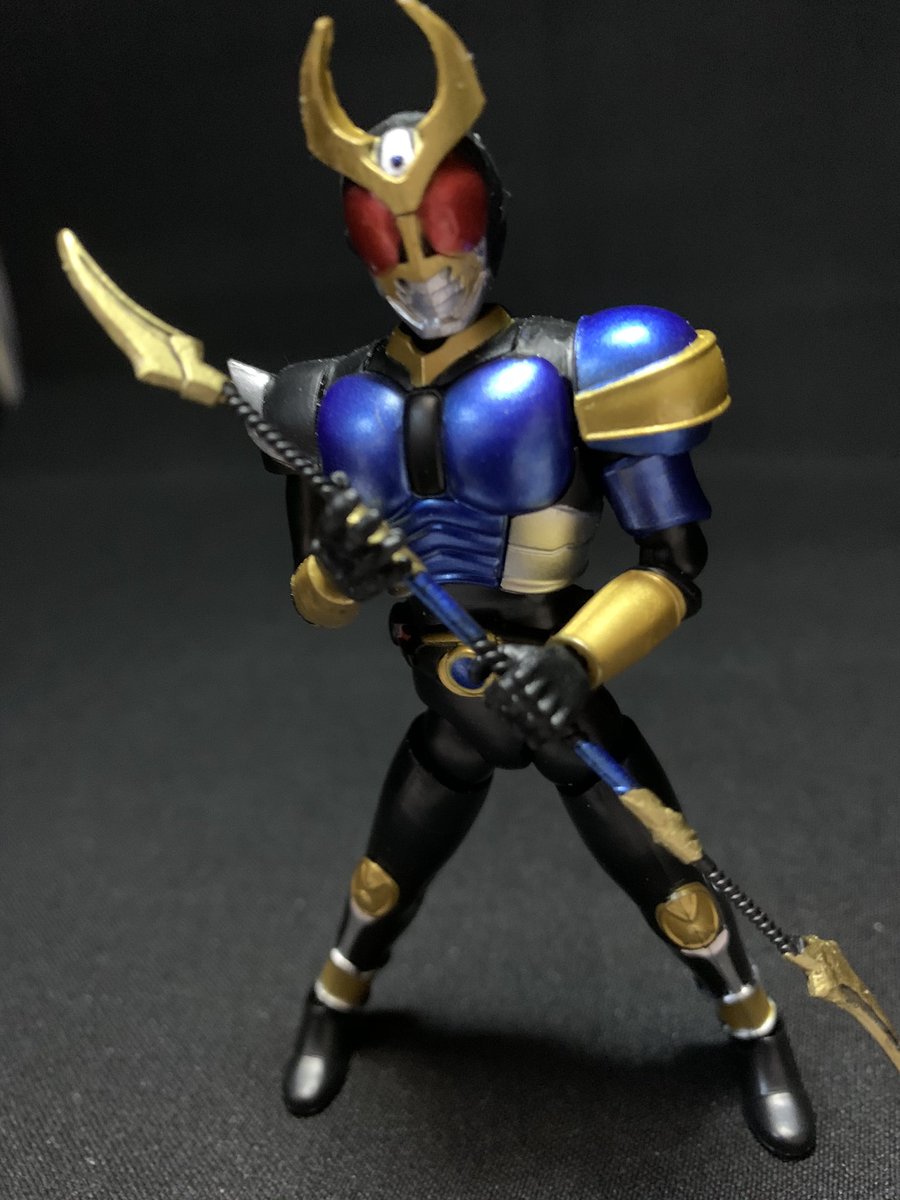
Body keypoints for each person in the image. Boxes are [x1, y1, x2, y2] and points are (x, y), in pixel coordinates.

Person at [228, 0, 815, 1159]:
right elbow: (308, 596)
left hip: (561, 694)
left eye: (445, 243)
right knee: (382, 882)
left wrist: (578, 658)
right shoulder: (322, 401)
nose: (426, 279)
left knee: (674, 883)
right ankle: (335, 998)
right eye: (396, 254)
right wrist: (338, 571)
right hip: (447, 702)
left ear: (488, 222)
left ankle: (755, 1023)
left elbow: (674, 569)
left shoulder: (585, 367)